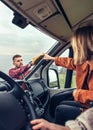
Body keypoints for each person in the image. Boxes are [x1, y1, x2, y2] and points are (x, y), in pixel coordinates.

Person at [42, 25, 93, 125]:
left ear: (83, 46)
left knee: (61, 109)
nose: (74, 49)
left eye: (75, 46)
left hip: (90, 110)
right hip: (88, 105)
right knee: (62, 103)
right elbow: (69, 62)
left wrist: (78, 93)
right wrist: (52, 59)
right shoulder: (84, 63)